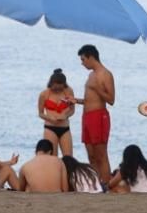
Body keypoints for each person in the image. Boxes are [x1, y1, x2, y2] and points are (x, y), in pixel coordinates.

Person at [78, 44, 114, 183]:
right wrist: (75, 101)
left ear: (91, 57)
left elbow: (111, 99)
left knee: (101, 154)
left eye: (83, 60)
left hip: (99, 116)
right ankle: (96, 183)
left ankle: (106, 183)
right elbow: (89, 99)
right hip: (87, 116)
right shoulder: (91, 74)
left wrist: (98, 89)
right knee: (91, 154)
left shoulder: (105, 74)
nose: (82, 63)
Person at [37, 68, 76, 157]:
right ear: (51, 84)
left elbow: (72, 110)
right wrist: (50, 118)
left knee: (68, 157)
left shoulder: (68, 91)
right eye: (55, 88)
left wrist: (65, 115)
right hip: (50, 127)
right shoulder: (44, 94)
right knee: (52, 157)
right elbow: (40, 113)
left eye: (60, 88)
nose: (58, 90)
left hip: (65, 127)